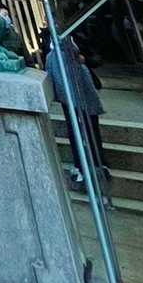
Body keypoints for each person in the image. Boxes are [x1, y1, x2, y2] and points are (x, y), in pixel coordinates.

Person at [44, 30, 106, 184]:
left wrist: (84, 59)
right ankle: (81, 165)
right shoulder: (50, 47)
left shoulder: (77, 38)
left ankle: (97, 162)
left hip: (83, 90)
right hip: (68, 94)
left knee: (90, 127)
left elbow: (96, 58)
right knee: (76, 129)